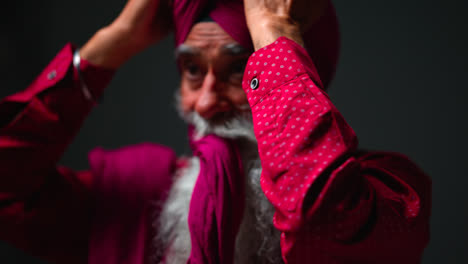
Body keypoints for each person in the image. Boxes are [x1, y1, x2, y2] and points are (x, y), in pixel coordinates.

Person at [0, 0, 431, 263]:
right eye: (191, 69)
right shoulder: (137, 194)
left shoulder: (385, 196)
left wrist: (275, 32)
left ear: (297, 70)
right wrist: (112, 42)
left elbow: (319, 218)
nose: (205, 102)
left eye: (239, 69)